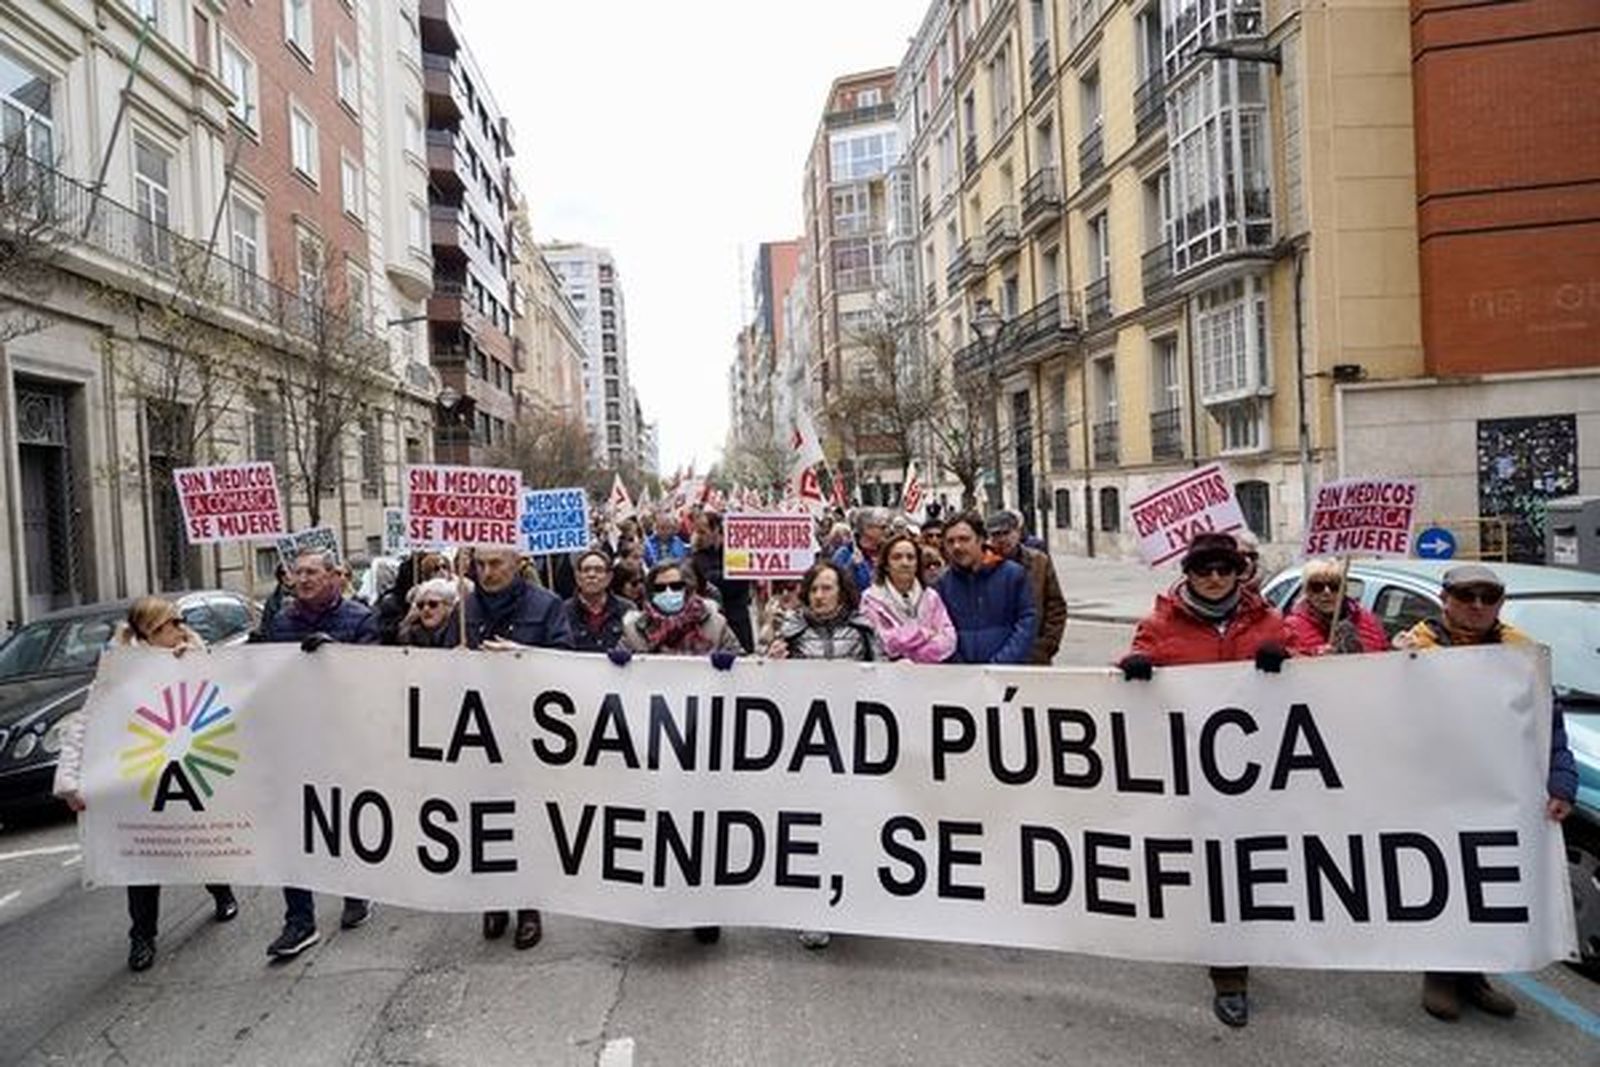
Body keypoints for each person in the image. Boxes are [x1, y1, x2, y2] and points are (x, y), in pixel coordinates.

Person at [1117, 531, 1289, 1028]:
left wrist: (1290, 665)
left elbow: (1311, 691)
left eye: (1224, 569)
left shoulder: (1270, 623)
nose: (1214, 579)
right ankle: (1229, 975)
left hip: (1257, 771)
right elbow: (1126, 682)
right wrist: (1133, 668)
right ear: (1187, 574)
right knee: (1215, 870)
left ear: (1240, 573)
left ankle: (1241, 952)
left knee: (1247, 866)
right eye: (1203, 570)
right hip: (1191, 772)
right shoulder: (1159, 623)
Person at [1393, 562, 1576, 1023]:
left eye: (1488, 598)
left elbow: (1547, 723)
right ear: (1445, 599)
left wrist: (1562, 779)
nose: (1477, 606)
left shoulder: (1523, 653)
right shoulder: (1413, 651)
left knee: (1486, 881)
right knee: (1441, 880)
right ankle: (1440, 973)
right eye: (1466, 596)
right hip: (1432, 789)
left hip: (1499, 790)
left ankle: (1475, 975)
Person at [53, 597, 239, 972]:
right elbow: (85, 725)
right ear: (150, 632)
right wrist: (70, 781)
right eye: (172, 623)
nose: (180, 629)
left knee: (196, 840)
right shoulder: (118, 672)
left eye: (180, 622)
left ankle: (222, 892)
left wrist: (195, 664)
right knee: (141, 857)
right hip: (140, 775)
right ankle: (142, 937)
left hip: (187, 768)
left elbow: (226, 701)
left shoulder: (194, 655)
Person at [451, 546, 574, 949]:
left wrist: (526, 657)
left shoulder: (548, 604)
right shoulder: (464, 607)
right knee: (484, 822)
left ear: (517, 564)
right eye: (479, 565)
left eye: (495, 564)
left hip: (529, 734)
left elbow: (568, 662)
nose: (486, 572)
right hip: (477, 735)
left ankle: (528, 906)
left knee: (527, 821)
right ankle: (494, 900)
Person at [260, 548, 380, 960]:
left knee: (344, 821)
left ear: (334, 577)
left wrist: (338, 657)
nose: (303, 579)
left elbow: (377, 681)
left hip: (344, 742)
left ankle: (356, 891)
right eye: (298, 573)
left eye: (312, 572)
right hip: (295, 742)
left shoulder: (360, 620)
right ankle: (299, 921)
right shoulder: (280, 623)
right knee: (294, 830)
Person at [614, 559, 740, 944]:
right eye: (661, 587)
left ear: (689, 590)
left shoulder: (715, 625)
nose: (670, 594)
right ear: (649, 592)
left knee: (702, 830)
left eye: (677, 587)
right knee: (660, 829)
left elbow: (746, 666)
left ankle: (704, 910)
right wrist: (614, 665)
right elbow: (613, 680)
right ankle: (663, 905)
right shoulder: (634, 631)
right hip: (654, 747)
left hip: (704, 744)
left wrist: (731, 664)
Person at [767, 560, 881, 949]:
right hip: (805, 749)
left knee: (846, 825)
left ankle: (849, 898)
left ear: (842, 591)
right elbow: (766, 689)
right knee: (807, 829)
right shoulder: (791, 632)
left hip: (851, 745)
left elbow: (884, 682)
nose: (819, 595)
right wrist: (772, 662)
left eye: (827, 588)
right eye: (814, 588)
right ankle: (811, 909)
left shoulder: (864, 630)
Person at [936, 512, 1036, 665]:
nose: (957, 546)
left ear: (980, 540)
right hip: (961, 676)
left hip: (1007, 673)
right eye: (950, 541)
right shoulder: (942, 584)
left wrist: (1001, 663)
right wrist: (958, 664)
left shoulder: (1012, 575)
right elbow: (938, 629)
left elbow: (1026, 622)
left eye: (964, 539)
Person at [859, 532, 957, 664]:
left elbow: (948, 639)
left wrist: (915, 658)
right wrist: (923, 633)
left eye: (910, 557)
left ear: (917, 564)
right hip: (888, 674)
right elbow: (881, 642)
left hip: (929, 673)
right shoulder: (871, 598)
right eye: (897, 557)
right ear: (886, 565)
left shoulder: (931, 597)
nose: (905, 563)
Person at [986, 509, 1068, 665]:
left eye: (1006, 533)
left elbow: (1056, 606)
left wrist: (1046, 646)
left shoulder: (1039, 561)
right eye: (996, 535)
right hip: (997, 654)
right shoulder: (984, 565)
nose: (1002, 539)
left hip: (1035, 654)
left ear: (1017, 532)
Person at [1282, 559, 1387, 656]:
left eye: (1334, 586)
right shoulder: (1292, 628)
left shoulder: (1368, 620)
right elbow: (1285, 667)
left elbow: (1383, 661)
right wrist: (1315, 657)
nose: (1326, 592)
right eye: (1317, 587)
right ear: (1306, 591)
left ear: (1344, 589)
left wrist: (1398, 650)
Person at [692, 510, 754, 652]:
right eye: (697, 532)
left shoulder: (736, 551)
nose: (698, 537)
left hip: (737, 621)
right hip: (711, 625)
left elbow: (739, 582)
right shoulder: (698, 556)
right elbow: (705, 580)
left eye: (703, 532)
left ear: (716, 530)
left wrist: (726, 576)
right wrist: (728, 574)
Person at [563, 548, 631, 653]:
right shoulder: (562, 612)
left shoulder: (627, 609)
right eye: (586, 570)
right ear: (577, 577)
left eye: (598, 570)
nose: (591, 575)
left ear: (609, 577)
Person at [832, 507, 888, 591]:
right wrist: (851, 565)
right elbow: (835, 583)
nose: (887, 530)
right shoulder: (845, 553)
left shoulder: (888, 551)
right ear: (867, 529)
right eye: (882, 527)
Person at [396, 577, 460, 647]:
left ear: (449, 606)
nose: (426, 609)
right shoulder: (412, 634)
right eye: (420, 605)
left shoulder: (460, 635)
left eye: (433, 604)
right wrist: (406, 623)